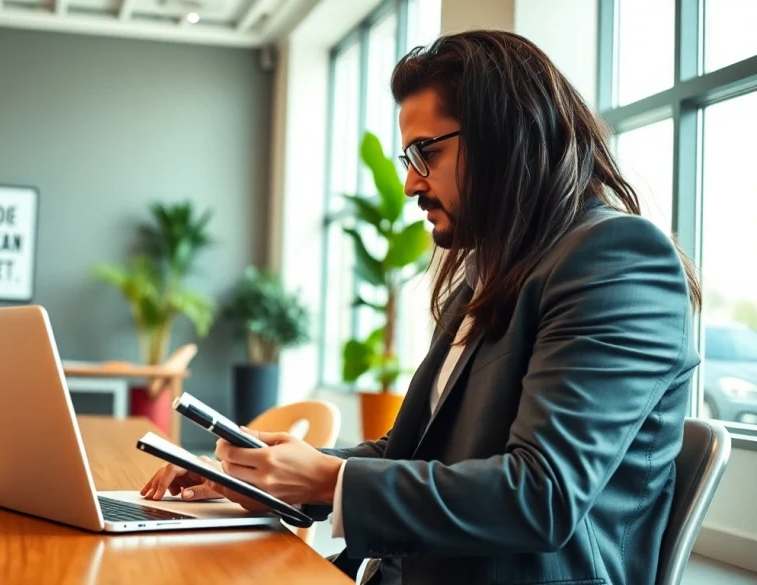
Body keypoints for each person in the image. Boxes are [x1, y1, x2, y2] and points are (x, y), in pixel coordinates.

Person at [140, 29, 701, 585]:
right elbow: (417, 449)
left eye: (425, 153)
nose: (410, 182)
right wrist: (270, 475)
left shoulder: (617, 259)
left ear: (505, 140)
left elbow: (542, 496)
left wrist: (326, 478)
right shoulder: (492, 271)